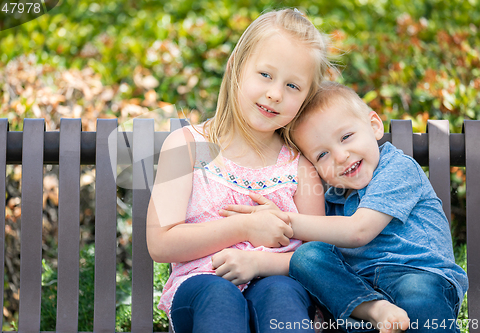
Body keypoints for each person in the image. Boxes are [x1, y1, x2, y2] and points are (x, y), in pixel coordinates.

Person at [220, 81, 468, 333]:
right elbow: (310, 260)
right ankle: (373, 310)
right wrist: (256, 261)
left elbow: (358, 231)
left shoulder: (398, 168)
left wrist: (283, 221)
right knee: (308, 256)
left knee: (417, 295)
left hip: (418, 275)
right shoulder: (332, 202)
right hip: (358, 293)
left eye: (346, 137)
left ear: (373, 126)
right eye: (322, 155)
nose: (340, 156)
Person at [146, 8, 334, 333]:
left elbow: (316, 257)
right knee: (219, 295)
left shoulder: (299, 168)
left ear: (305, 99)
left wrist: (260, 263)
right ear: (235, 68)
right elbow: (161, 243)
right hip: (203, 286)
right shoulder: (187, 146)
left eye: (293, 86)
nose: (275, 93)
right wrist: (246, 228)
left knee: (281, 294)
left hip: (277, 281)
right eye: (265, 74)